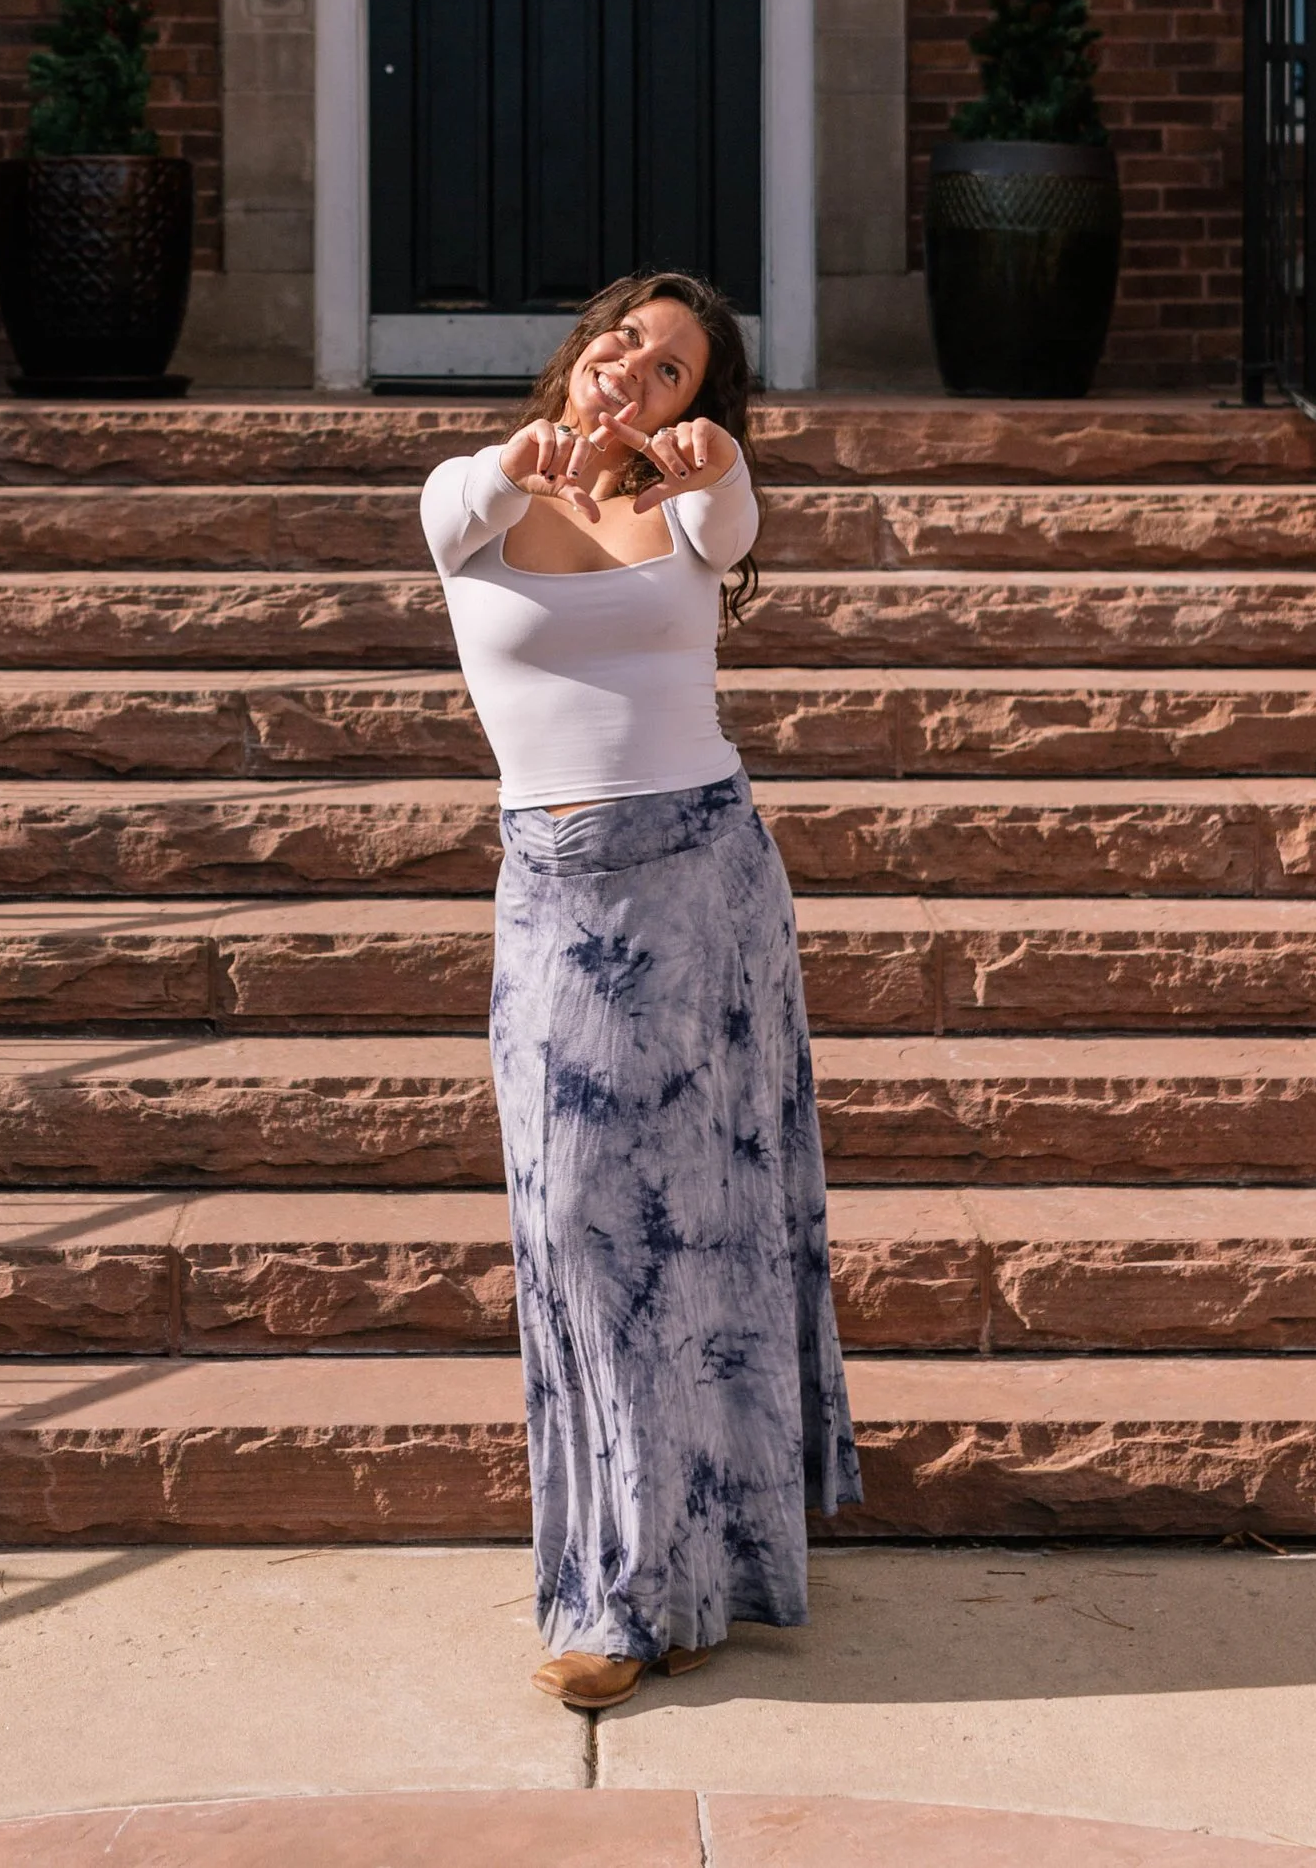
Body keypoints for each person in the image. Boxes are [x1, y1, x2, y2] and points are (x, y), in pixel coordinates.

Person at [419, 268, 860, 1711]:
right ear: (582, 347)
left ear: (694, 407)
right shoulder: (476, 493)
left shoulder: (689, 506)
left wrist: (720, 464)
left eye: (674, 368)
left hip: (710, 881)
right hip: (561, 895)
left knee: (718, 1221)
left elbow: (731, 526)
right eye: (627, 338)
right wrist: (516, 460)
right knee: (584, 1225)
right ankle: (611, 1576)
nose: (639, 367)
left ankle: (704, 1562)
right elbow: (444, 522)